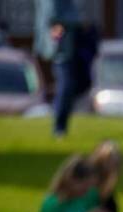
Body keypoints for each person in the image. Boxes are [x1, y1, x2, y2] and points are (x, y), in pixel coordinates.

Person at [33, 0, 87, 137]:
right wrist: (78, 21)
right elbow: (53, 17)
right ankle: (59, 127)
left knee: (69, 84)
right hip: (61, 46)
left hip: (65, 45)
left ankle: (61, 125)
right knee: (65, 84)